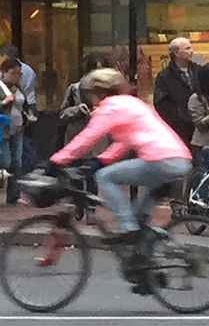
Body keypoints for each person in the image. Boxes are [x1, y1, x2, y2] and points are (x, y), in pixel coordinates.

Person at [48, 69, 193, 289]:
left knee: (105, 177)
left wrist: (57, 160)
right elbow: (126, 140)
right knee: (140, 218)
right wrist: (102, 159)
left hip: (160, 160)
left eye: (90, 94)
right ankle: (145, 269)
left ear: (98, 92)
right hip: (179, 160)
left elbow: (87, 138)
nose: (90, 99)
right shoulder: (131, 103)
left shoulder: (110, 107)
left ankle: (126, 226)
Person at [152, 37, 197, 144]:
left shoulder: (198, 71)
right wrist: (178, 117)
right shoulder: (165, 76)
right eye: (187, 48)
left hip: (198, 127)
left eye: (191, 48)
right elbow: (161, 103)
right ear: (176, 53)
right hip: (177, 129)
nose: (191, 51)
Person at [59, 54, 110, 147]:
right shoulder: (75, 89)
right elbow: (62, 114)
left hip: (100, 145)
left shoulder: (111, 90)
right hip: (77, 141)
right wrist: (77, 110)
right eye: (94, 71)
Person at [0, 58, 29, 205]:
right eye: (12, 73)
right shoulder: (1, 87)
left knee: (17, 162)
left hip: (17, 128)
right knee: (6, 161)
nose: (15, 77)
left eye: (18, 74)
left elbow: (24, 104)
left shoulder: (18, 88)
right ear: (3, 73)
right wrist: (5, 101)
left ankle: (14, 195)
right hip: (3, 130)